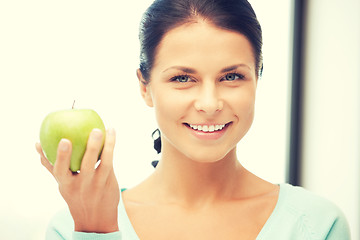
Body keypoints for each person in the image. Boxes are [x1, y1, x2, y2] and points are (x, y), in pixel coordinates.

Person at [35, 0, 351, 239]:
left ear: (258, 78)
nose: (210, 104)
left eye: (231, 76)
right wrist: (98, 232)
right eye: (183, 79)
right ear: (145, 87)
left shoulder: (317, 225)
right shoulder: (71, 229)